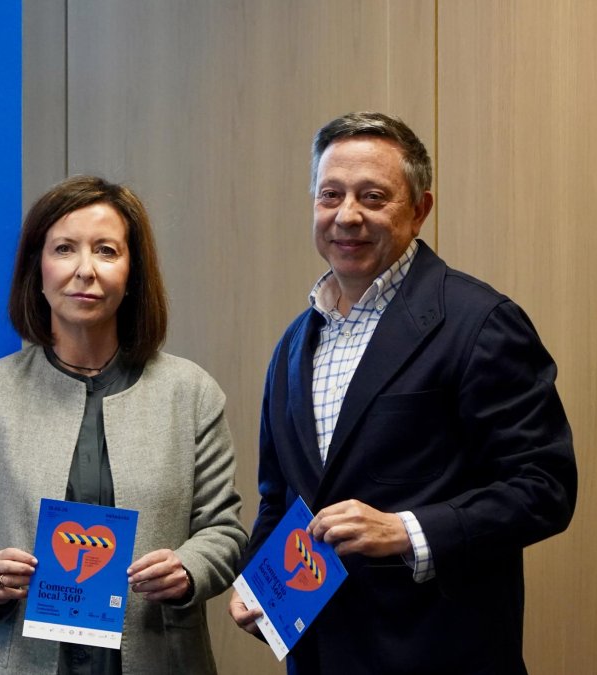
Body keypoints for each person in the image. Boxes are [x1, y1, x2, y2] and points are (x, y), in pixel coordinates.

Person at [228, 111, 577, 674]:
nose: (347, 215)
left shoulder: (481, 322)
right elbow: (279, 498)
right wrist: (257, 582)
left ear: (419, 210)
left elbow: (545, 488)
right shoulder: (293, 344)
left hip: (440, 654)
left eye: (373, 197)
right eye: (330, 195)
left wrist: (406, 531)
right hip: (320, 656)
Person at [0, 175, 248, 674]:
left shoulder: (191, 392)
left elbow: (223, 530)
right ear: (37, 268)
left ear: (133, 273)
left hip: (158, 657)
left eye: (106, 251)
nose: (85, 270)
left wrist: (189, 569)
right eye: (64, 249)